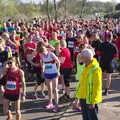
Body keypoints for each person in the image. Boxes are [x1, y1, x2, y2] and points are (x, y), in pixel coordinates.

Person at [78, 48, 102, 120]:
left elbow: (97, 87)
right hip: (83, 97)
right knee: (85, 117)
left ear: (87, 59)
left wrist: (93, 101)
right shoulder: (86, 66)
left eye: (82, 58)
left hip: (90, 99)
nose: (81, 60)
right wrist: (79, 96)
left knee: (92, 117)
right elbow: (82, 83)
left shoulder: (96, 69)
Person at [37, 42, 60, 112]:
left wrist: (58, 71)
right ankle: (50, 103)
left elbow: (58, 62)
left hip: (54, 73)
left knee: (55, 89)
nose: (42, 53)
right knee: (49, 89)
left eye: (43, 51)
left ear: (45, 48)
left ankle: (56, 106)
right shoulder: (41, 55)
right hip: (47, 74)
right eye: (40, 51)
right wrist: (43, 71)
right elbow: (43, 63)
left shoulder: (51, 54)